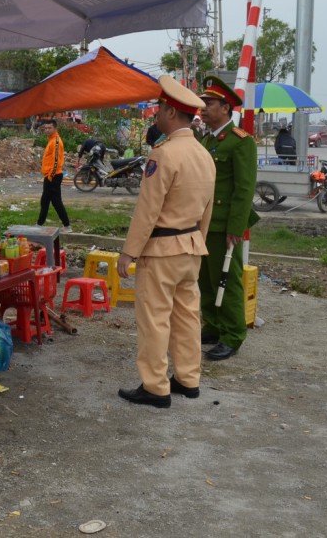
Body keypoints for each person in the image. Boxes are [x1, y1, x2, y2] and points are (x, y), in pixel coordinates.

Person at [117, 76, 216, 408]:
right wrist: (198, 242)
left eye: (160, 108)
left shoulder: (163, 154)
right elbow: (207, 209)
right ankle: (188, 379)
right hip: (191, 247)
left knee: (155, 317)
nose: (156, 113)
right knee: (187, 317)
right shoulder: (204, 155)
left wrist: (128, 253)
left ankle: (155, 386)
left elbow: (147, 211)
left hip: (161, 250)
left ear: (172, 112)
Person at [197, 76, 260, 362]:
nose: (203, 108)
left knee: (227, 279)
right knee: (205, 279)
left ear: (226, 107)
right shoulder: (207, 138)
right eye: (203, 103)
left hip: (224, 224)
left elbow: (244, 189)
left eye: (209, 103)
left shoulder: (240, 142)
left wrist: (236, 227)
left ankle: (233, 335)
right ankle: (213, 324)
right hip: (204, 221)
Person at [36, 119, 72, 233]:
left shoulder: (56, 141)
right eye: (45, 128)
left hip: (54, 176)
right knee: (45, 200)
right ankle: (39, 224)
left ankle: (67, 226)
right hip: (50, 175)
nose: (47, 130)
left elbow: (56, 161)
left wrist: (50, 176)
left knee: (56, 201)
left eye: (49, 128)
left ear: (55, 128)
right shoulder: (51, 140)